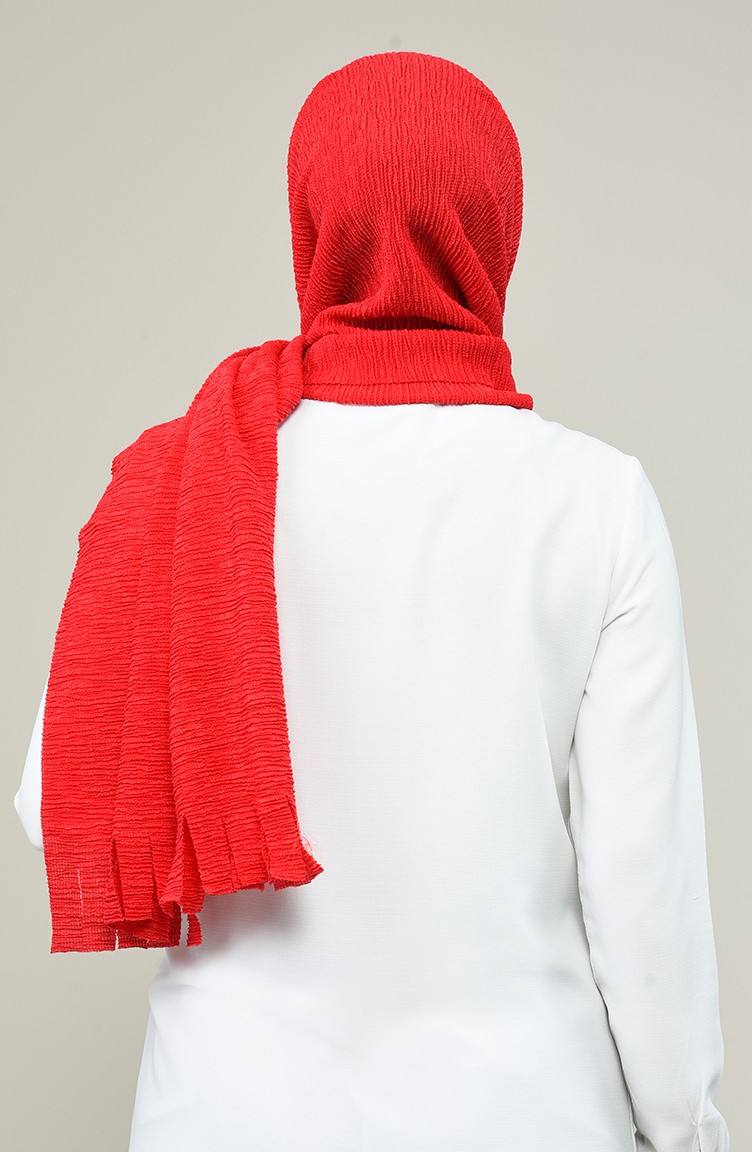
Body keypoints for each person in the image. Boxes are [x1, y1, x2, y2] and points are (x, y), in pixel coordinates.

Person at [13, 50, 729, 1152]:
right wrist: (684, 1127)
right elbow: (643, 894)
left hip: (222, 1115)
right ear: (497, 229)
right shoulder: (597, 499)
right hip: (520, 1113)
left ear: (309, 224)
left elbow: (49, 800)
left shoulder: (179, 480)